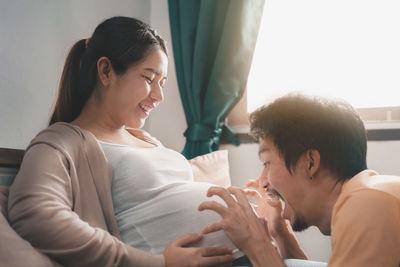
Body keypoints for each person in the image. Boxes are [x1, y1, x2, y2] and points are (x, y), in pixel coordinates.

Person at [7, 16, 236, 267]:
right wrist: (158, 263)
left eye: (162, 83)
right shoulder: (61, 143)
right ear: (106, 71)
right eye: (149, 79)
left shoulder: (145, 139)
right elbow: (36, 216)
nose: (158, 96)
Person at [199, 94, 400, 267]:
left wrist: (256, 243)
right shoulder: (367, 195)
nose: (264, 182)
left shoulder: (367, 206)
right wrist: (281, 234)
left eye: (267, 163)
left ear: (310, 162)